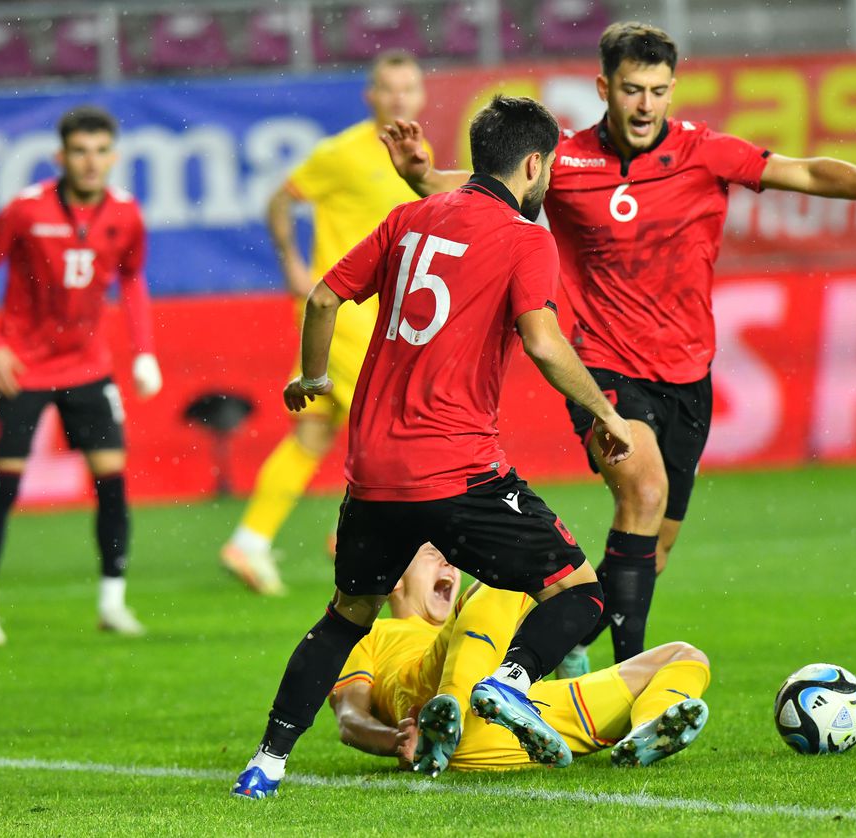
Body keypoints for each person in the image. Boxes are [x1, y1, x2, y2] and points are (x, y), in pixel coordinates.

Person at [381, 21, 856, 674]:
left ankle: (553, 642)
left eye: (658, 90)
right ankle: (628, 683)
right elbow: (488, 187)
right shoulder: (567, 162)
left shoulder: (706, 153)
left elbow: (801, 169)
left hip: (688, 379)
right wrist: (424, 178)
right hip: (604, 371)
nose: (645, 105)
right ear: (604, 87)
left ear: (673, 90)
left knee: (654, 547)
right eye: (631, 89)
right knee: (642, 491)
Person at [231, 95, 635, 801]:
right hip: (459, 469)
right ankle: (511, 682)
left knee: (343, 619)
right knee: (579, 593)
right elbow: (542, 341)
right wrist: (603, 409)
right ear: (534, 164)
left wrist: (316, 376)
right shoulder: (523, 237)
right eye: (548, 172)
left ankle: (267, 761)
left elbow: (324, 298)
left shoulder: (407, 218)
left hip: (374, 476)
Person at [219, 50, 429, 595]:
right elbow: (278, 201)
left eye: (409, 88)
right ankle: (359, 530)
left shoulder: (417, 151)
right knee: (396, 423)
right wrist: (290, 261)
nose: (400, 98)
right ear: (371, 95)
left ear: (421, 95)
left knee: (313, 435)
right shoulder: (341, 153)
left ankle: (250, 541)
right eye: (390, 88)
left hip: (380, 314)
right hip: (344, 315)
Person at [0, 105, 162, 645]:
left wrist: (143, 352)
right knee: (4, 485)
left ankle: (113, 602)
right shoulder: (27, 210)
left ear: (113, 156)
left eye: (100, 151)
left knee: (113, 483)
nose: (91, 162)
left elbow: (133, 277)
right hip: (22, 368)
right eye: (80, 151)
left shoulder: (126, 213)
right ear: (60, 157)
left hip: (88, 367)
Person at [329, 544, 711, 774]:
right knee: (509, 574)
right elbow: (349, 717)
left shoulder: (483, 617)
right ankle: (449, 711)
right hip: (429, 696)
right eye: (433, 557)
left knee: (684, 656)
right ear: (394, 579)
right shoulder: (372, 633)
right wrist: (395, 739)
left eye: (450, 560)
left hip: (517, 721)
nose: (448, 566)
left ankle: (644, 733)